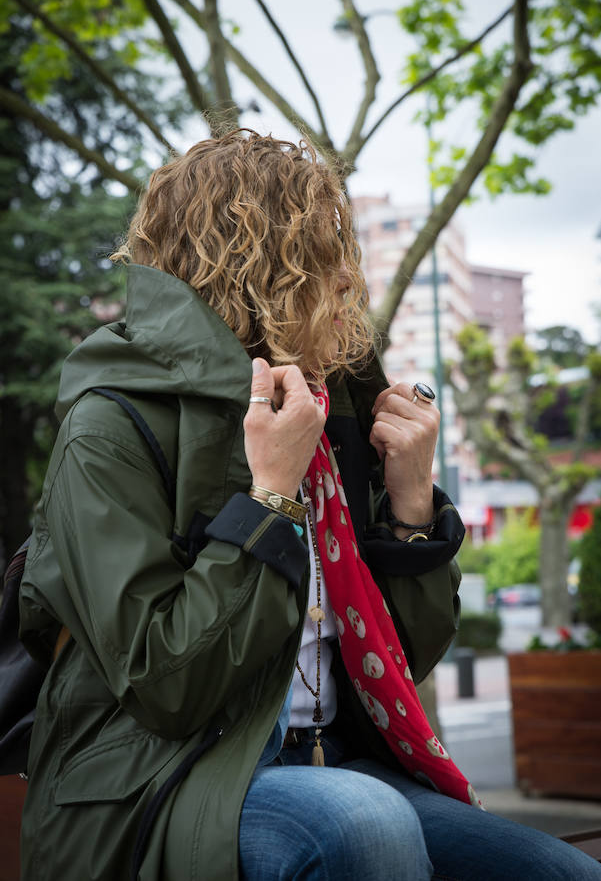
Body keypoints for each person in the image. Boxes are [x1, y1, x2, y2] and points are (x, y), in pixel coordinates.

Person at [19, 130, 601, 881]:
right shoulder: (110, 425)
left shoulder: (336, 411)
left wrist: (410, 504)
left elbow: (406, 658)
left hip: (338, 763)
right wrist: (268, 497)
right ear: (256, 271)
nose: (348, 286)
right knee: (362, 822)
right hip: (159, 786)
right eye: (325, 262)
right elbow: (167, 685)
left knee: (563, 873)